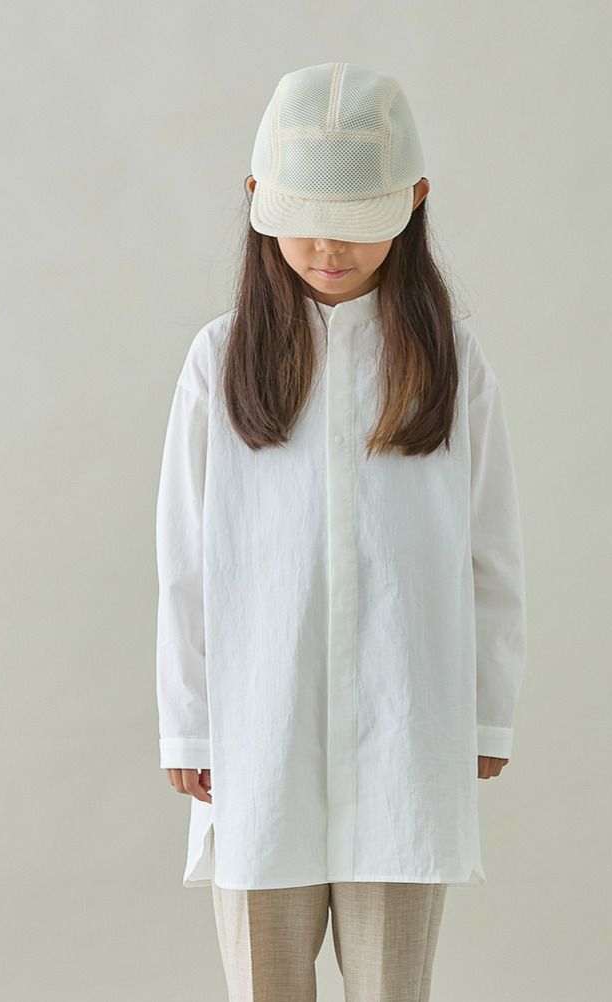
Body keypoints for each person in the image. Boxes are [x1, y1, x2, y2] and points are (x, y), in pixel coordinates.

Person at [155, 61, 527, 1002]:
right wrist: (189, 721)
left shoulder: (449, 362)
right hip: (258, 736)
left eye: (357, 218)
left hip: (404, 735)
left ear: (414, 201)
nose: (326, 244)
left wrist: (487, 710)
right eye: (302, 216)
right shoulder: (218, 361)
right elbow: (186, 561)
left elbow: (490, 549)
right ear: (257, 199)